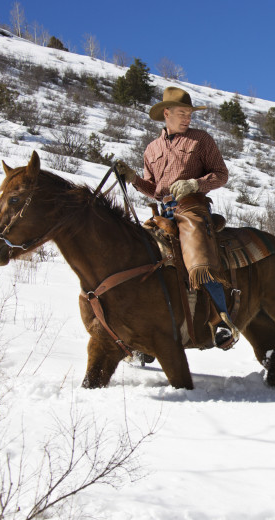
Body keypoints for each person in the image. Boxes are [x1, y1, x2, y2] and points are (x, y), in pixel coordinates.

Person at [115, 87, 237, 349]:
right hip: (163, 212)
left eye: (189, 113)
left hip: (192, 207)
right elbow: (153, 188)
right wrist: (133, 179)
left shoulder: (201, 140)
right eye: (182, 113)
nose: (187, 118)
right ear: (166, 113)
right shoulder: (151, 149)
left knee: (198, 254)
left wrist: (195, 184)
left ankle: (221, 321)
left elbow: (221, 174)